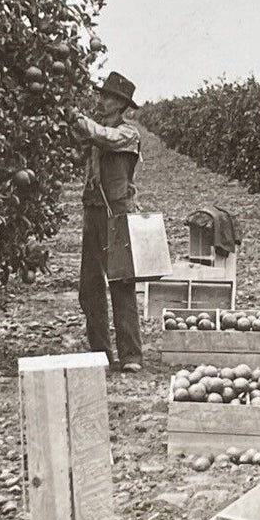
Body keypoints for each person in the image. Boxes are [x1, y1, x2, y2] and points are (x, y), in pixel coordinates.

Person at [74, 71, 144, 372]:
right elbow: (83, 142)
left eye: (106, 97)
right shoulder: (95, 132)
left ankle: (130, 355)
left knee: (121, 283)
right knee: (89, 287)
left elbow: (106, 138)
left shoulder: (128, 134)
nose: (100, 101)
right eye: (100, 96)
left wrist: (76, 118)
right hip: (93, 211)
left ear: (120, 105)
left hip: (117, 214)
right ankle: (100, 352)